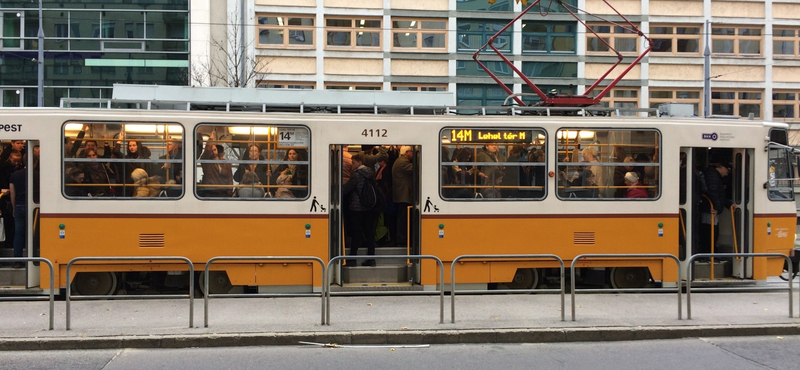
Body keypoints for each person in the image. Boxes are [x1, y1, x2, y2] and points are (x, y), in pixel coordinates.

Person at [343, 153, 377, 267]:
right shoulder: (370, 173)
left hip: (356, 208)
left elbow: (347, 189)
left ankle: (352, 258)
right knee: (368, 232)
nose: (352, 165)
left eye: (353, 163)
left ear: (359, 163)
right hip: (368, 207)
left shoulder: (356, 174)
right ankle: (371, 258)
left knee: (356, 233)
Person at [699, 163, 732, 256]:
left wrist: (728, 204)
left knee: (712, 231)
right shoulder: (712, 176)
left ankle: (711, 252)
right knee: (710, 232)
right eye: (727, 170)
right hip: (710, 209)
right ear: (721, 167)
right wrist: (717, 207)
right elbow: (713, 192)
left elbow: (719, 195)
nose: (727, 174)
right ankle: (709, 253)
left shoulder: (713, 175)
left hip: (710, 208)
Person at [198, 132, 233, 197]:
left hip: (223, 193)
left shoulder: (226, 163)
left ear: (217, 150)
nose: (213, 151)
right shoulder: (206, 163)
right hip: (210, 192)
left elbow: (230, 177)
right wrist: (210, 139)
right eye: (211, 150)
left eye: (214, 149)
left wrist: (230, 190)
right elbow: (206, 151)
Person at [392, 146, 414, 247]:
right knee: (403, 219)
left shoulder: (399, 161)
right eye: (412, 152)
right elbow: (416, 169)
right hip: (404, 195)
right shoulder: (403, 162)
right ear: (407, 153)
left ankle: (402, 238)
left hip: (401, 194)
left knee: (402, 218)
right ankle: (402, 240)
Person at [0, 149, 22, 248]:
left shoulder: (21, 168)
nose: (16, 163)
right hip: (6, 199)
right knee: (8, 224)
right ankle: (8, 244)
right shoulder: (3, 168)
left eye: (18, 161)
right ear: (10, 158)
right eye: (14, 161)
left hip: (16, 198)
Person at [9, 161, 26, 267]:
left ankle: (17, 260)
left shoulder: (15, 175)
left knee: (18, 234)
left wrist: (14, 207)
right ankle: (35, 259)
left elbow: (12, 193)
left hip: (19, 206)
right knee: (34, 234)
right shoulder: (37, 174)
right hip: (35, 208)